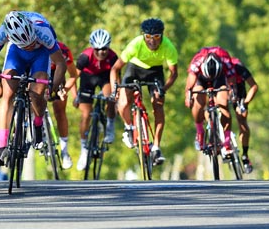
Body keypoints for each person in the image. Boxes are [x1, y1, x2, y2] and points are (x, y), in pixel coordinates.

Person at [0, 11, 66, 166]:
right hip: (16, 53)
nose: (30, 46)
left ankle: (38, 124)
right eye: (26, 45)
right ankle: (2, 146)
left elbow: (61, 64)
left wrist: (52, 87)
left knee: (37, 92)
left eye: (31, 43)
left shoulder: (43, 31)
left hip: (41, 54)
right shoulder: (4, 32)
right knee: (7, 93)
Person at [110, 17, 178, 166]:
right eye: (148, 37)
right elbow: (115, 69)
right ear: (143, 35)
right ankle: (129, 127)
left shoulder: (168, 46)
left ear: (162, 36)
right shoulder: (135, 44)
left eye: (156, 37)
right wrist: (115, 88)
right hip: (134, 69)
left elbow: (174, 74)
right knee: (123, 102)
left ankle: (156, 147)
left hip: (155, 72)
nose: (152, 41)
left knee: (158, 104)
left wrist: (163, 89)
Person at [74, 28, 118, 171]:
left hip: (105, 77)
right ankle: (84, 149)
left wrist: (116, 94)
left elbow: (116, 77)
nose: (101, 53)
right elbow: (73, 77)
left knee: (110, 98)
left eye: (104, 49)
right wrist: (75, 95)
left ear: (108, 47)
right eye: (98, 49)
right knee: (86, 115)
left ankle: (110, 124)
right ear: (93, 48)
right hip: (87, 78)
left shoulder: (112, 57)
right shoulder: (84, 57)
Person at [184, 48, 236, 156]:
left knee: (224, 103)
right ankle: (200, 132)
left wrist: (232, 94)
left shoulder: (226, 61)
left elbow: (231, 82)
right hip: (201, 79)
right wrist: (188, 97)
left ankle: (226, 141)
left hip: (219, 79)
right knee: (197, 99)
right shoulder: (197, 62)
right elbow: (189, 86)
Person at [47, 39, 79, 170]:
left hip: (57, 74)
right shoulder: (37, 47)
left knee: (59, 110)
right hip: (39, 69)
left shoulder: (64, 50)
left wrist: (65, 91)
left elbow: (73, 75)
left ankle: (64, 151)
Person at [230, 56, 259, 173]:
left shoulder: (238, 67)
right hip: (222, 89)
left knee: (241, 120)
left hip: (238, 92)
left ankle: (245, 156)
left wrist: (245, 102)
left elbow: (254, 86)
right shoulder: (219, 71)